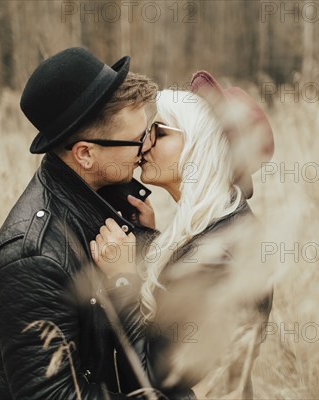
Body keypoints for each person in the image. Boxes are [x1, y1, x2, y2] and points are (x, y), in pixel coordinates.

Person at [0, 47, 159, 399]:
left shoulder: (111, 199)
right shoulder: (32, 258)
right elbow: (51, 395)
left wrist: (146, 241)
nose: (146, 147)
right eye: (137, 139)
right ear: (85, 153)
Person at [90, 71, 275, 398]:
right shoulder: (220, 225)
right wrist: (150, 241)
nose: (143, 144)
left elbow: (154, 381)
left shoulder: (218, 257)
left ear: (198, 147)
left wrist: (122, 280)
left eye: (158, 132)